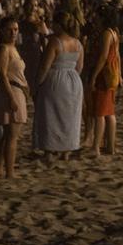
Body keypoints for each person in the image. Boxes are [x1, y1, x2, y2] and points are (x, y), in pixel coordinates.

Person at [34, 12, 83, 158]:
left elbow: (45, 67)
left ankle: (49, 150)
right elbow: (79, 67)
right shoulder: (78, 43)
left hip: (55, 80)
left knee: (50, 115)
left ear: (59, 25)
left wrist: (38, 83)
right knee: (70, 116)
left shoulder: (55, 42)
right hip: (73, 80)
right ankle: (66, 150)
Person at [83, 14, 120, 158]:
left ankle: (96, 147)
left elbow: (103, 57)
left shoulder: (106, 34)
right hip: (111, 74)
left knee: (100, 113)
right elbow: (115, 55)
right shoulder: (114, 33)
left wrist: (93, 76)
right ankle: (110, 145)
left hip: (104, 76)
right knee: (109, 112)